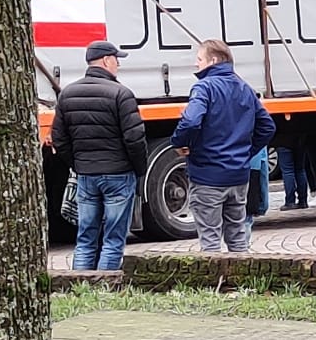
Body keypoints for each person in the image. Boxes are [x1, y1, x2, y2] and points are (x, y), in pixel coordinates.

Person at [51, 40, 148, 271]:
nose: (118, 65)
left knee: (85, 238)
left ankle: (81, 288)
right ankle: (105, 289)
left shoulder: (67, 94)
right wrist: (138, 170)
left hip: (86, 175)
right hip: (118, 174)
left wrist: (78, 164)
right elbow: (135, 139)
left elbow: (60, 139)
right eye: (116, 60)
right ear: (106, 60)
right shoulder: (121, 94)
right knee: (113, 240)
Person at [173, 40, 278, 252]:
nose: (196, 64)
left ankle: (213, 284)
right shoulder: (244, 87)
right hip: (238, 176)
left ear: (213, 60)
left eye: (199, 59)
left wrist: (180, 142)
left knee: (210, 241)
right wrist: (246, 152)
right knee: (238, 237)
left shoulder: (204, 87)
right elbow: (267, 126)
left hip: (207, 175)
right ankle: (242, 283)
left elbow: (191, 121)